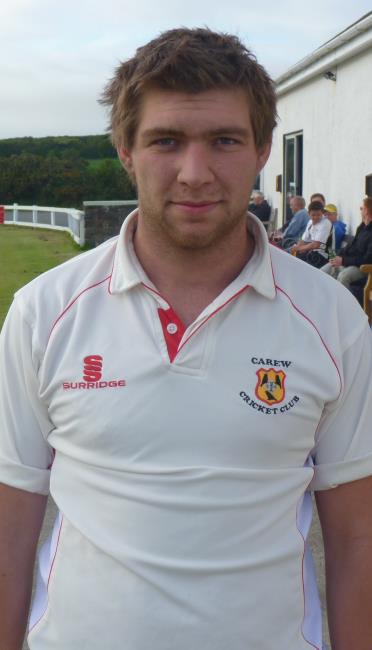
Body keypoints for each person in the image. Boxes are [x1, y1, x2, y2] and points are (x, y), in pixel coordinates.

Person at [1, 27, 372, 650]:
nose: (194, 173)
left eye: (223, 140)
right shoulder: (45, 311)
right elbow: (10, 521)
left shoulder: (332, 319)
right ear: (125, 148)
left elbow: (358, 536)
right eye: (166, 141)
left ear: (261, 151)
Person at [321, 196, 372, 288]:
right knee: (322, 272)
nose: (360, 210)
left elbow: (367, 259)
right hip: (350, 262)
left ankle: (344, 302)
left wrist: (343, 260)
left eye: (362, 208)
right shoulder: (361, 228)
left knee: (343, 276)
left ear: (367, 210)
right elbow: (351, 247)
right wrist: (337, 256)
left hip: (364, 267)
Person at [290, 200, 332, 267]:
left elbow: (316, 245)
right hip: (313, 253)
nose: (315, 217)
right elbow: (303, 240)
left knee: (300, 264)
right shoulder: (310, 222)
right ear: (309, 214)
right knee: (291, 257)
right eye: (313, 215)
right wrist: (295, 248)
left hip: (326, 255)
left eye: (318, 215)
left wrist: (299, 248)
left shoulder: (326, 223)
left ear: (322, 213)